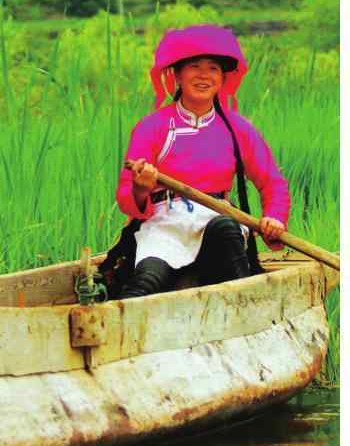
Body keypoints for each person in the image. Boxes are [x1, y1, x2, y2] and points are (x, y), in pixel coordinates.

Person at [115, 25, 290, 298]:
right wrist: (140, 188)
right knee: (145, 284)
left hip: (217, 219)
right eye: (194, 66)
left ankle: (244, 306)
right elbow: (127, 197)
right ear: (177, 75)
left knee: (226, 228)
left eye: (213, 68)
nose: (204, 75)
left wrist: (274, 217)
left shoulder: (238, 129)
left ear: (222, 77)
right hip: (166, 225)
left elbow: (272, 182)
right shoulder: (152, 127)